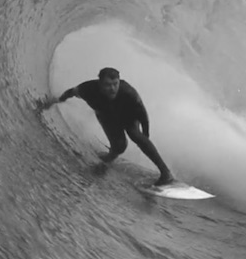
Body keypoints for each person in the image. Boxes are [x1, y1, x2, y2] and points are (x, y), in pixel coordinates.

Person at [41, 67, 175, 187]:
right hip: (106, 115)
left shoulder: (129, 93)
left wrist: (145, 136)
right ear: (100, 84)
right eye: (107, 85)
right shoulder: (88, 89)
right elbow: (71, 92)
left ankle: (165, 173)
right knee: (120, 147)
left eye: (115, 84)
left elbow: (142, 115)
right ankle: (108, 159)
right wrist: (57, 101)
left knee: (135, 135)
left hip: (129, 114)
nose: (112, 88)